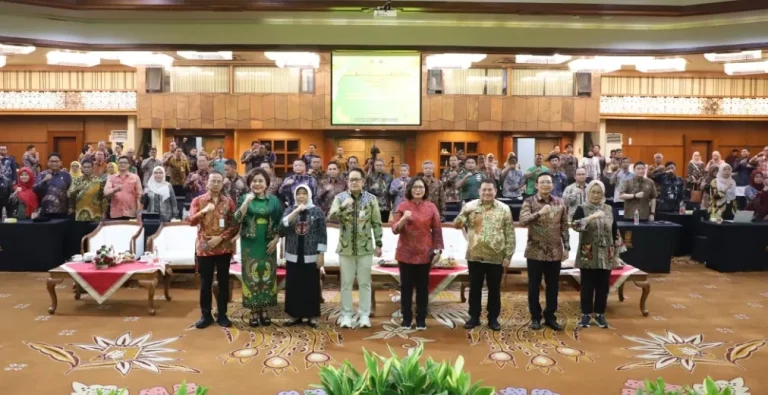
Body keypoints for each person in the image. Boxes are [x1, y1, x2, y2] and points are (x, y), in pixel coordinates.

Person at [454, 179, 514, 332]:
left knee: (494, 289)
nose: (487, 193)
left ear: (496, 191)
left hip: (496, 256)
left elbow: (510, 234)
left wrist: (508, 255)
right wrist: (464, 213)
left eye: (490, 190)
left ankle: (493, 319)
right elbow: (457, 225)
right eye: (484, 190)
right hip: (475, 255)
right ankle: (474, 317)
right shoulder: (470, 206)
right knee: (475, 289)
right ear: (479, 191)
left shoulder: (504, 209)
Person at [328, 168, 383, 329]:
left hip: (365, 248)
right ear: (347, 182)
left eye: (357, 179)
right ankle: (346, 315)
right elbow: (331, 216)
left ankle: (364, 315)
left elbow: (376, 222)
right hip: (346, 248)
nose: (354, 182)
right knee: (346, 283)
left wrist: (378, 243)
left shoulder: (371, 199)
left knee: (365, 283)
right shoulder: (340, 198)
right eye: (351, 179)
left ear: (363, 182)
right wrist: (344, 206)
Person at [519, 172, 570, 331]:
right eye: (542, 182)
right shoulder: (529, 201)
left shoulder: (560, 202)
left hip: (555, 251)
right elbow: (522, 221)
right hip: (535, 251)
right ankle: (535, 317)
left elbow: (564, 226)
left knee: (553, 286)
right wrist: (539, 213)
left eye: (548, 182)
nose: (545, 185)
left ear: (553, 185)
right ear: (536, 185)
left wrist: (567, 246)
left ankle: (550, 316)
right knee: (533, 286)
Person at [572, 180, 625, 329]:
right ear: (588, 193)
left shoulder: (609, 209)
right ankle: (586, 315)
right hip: (588, 253)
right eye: (593, 192)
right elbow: (575, 225)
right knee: (587, 286)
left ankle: (600, 314)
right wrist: (591, 217)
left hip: (606, 253)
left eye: (599, 192)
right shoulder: (582, 208)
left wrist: (616, 255)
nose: (596, 195)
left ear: (603, 194)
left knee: (603, 286)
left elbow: (615, 231)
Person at [392, 177, 444, 330]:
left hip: (424, 253)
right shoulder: (402, 205)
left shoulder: (431, 206)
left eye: (421, 187)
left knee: (422, 288)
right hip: (405, 253)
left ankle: (421, 318)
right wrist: (403, 219)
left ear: (425, 190)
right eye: (415, 187)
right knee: (406, 287)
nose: (418, 190)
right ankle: (406, 318)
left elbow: (437, 230)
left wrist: (437, 249)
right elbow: (395, 229)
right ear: (409, 189)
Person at [235, 168, 284, 327]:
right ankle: (253, 310)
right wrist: (246, 202)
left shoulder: (274, 200)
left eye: (260, 181)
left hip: (268, 243)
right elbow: (237, 219)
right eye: (254, 181)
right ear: (249, 183)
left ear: (267, 184)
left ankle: (264, 309)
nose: (257, 184)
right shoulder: (243, 198)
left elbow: (280, 221)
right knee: (251, 274)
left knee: (268, 274)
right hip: (250, 243)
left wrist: (276, 239)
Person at [189, 171, 237, 329]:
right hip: (205, 247)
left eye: (218, 181)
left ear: (222, 184)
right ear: (207, 183)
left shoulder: (228, 202)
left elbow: (235, 225)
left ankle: (222, 314)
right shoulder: (198, 200)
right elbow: (190, 221)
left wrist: (221, 238)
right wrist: (203, 211)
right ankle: (206, 315)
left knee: (223, 282)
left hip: (223, 247)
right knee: (205, 283)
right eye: (213, 181)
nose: (215, 184)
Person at [282, 185, 327, 328]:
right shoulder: (290, 210)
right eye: (299, 194)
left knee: (310, 285)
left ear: (309, 195)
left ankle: (311, 315)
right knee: (294, 285)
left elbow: (322, 233)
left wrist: (321, 254)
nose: (301, 196)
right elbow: (282, 226)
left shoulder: (317, 211)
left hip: (311, 254)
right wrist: (296, 211)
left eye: (304, 194)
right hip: (293, 253)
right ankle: (295, 315)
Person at [33, 153, 72, 218]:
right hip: (45, 211)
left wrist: (71, 207)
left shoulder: (66, 175)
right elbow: (35, 189)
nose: (54, 163)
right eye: (52, 161)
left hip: (62, 211)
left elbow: (70, 192)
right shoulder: (42, 175)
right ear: (48, 162)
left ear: (60, 163)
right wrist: (44, 181)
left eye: (56, 161)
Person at [104, 156, 142, 220]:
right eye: (120, 163)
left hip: (131, 212)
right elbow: (106, 192)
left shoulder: (135, 177)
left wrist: (139, 210)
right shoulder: (111, 177)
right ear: (117, 164)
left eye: (125, 163)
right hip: (116, 213)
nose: (123, 164)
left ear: (129, 165)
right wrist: (115, 189)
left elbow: (139, 195)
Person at [364, 158, 393, 222]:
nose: (379, 167)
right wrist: (372, 188)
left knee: (383, 226)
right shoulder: (370, 177)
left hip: (385, 207)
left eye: (381, 165)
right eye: (377, 165)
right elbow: (366, 191)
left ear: (384, 166)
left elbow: (388, 191)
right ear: (374, 166)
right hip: (373, 206)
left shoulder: (389, 177)